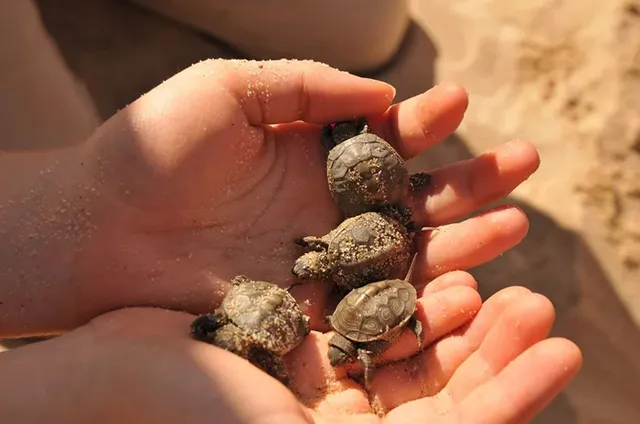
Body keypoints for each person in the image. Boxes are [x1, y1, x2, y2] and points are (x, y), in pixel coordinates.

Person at [0, 58, 582, 422]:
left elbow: (351, 261)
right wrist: (86, 387)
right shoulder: (334, 298)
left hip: (357, 239)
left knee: (368, 33)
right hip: (349, 248)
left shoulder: (344, 282)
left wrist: (61, 212)